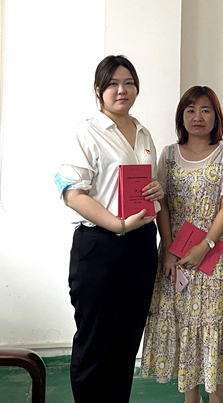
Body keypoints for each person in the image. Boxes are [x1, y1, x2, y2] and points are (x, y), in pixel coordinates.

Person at [53, 55, 164, 403]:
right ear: (99, 90)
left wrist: (156, 191)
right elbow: (72, 194)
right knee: (95, 342)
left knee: (126, 343)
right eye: (113, 84)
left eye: (129, 83)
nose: (122, 90)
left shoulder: (144, 133)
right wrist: (117, 224)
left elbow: (143, 186)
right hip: (100, 246)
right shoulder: (87, 132)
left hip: (141, 245)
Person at [141, 86, 223, 403]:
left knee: (213, 327)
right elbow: (163, 204)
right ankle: (191, 398)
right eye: (190, 110)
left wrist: (206, 245)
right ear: (181, 117)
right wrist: (169, 250)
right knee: (185, 325)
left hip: (212, 258)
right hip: (175, 257)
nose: (198, 116)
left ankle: (216, 399)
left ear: (216, 118)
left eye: (205, 110)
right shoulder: (168, 155)